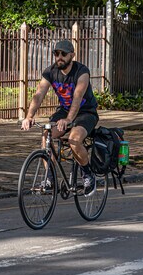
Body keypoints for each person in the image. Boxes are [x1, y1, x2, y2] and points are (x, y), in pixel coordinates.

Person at [21, 40, 99, 194]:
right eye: (56, 54)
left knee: (74, 139)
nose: (59, 57)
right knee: (46, 136)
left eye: (63, 54)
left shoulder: (81, 72)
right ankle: (50, 179)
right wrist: (29, 116)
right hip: (64, 111)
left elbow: (77, 97)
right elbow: (38, 95)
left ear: (72, 55)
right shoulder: (50, 72)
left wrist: (69, 120)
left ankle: (88, 174)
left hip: (86, 112)